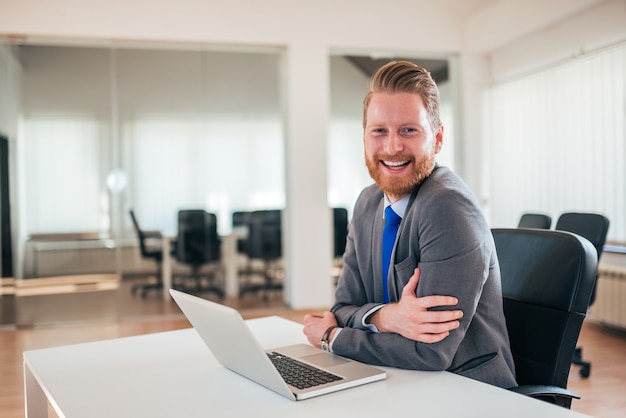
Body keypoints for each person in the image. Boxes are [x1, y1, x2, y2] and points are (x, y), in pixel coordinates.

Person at [303, 60, 517, 389]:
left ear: (438, 138)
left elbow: (430, 352)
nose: (392, 147)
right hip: (395, 378)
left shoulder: (448, 206)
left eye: (408, 130)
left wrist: (333, 337)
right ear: (364, 138)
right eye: (379, 131)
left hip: (467, 391)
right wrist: (386, 316)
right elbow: (342, 306)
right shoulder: (366, 203)